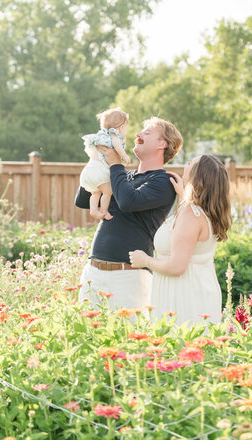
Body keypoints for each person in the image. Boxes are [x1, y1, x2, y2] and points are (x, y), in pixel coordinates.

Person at [77, 117, 183, 311]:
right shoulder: (123, 176)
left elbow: (128, 201)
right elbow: (82, 200)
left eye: (147, 132)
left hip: (128, 277)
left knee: (127, 338)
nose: (137, 134)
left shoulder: (163, 182)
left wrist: (115, 164)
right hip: (93, 272)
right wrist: (98, 161)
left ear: (162, 144)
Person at [129, 155, 231, 325]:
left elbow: (177, 266)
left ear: (199, 176)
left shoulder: (190, 215)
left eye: (191, 163)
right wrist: (183, 195)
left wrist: (145, 260)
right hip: (197, 289)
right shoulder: (205, 213)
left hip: (182, 293)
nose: (186, 164)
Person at [80, 108, 131, 220]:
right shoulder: (113, 135)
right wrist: (124, 155)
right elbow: (116, 143)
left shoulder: (100, 137)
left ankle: (93, 210)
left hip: (88, 172)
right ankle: (103, 211)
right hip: (100, 173)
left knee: (96, 193)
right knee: (107, 192)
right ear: (122, 127)